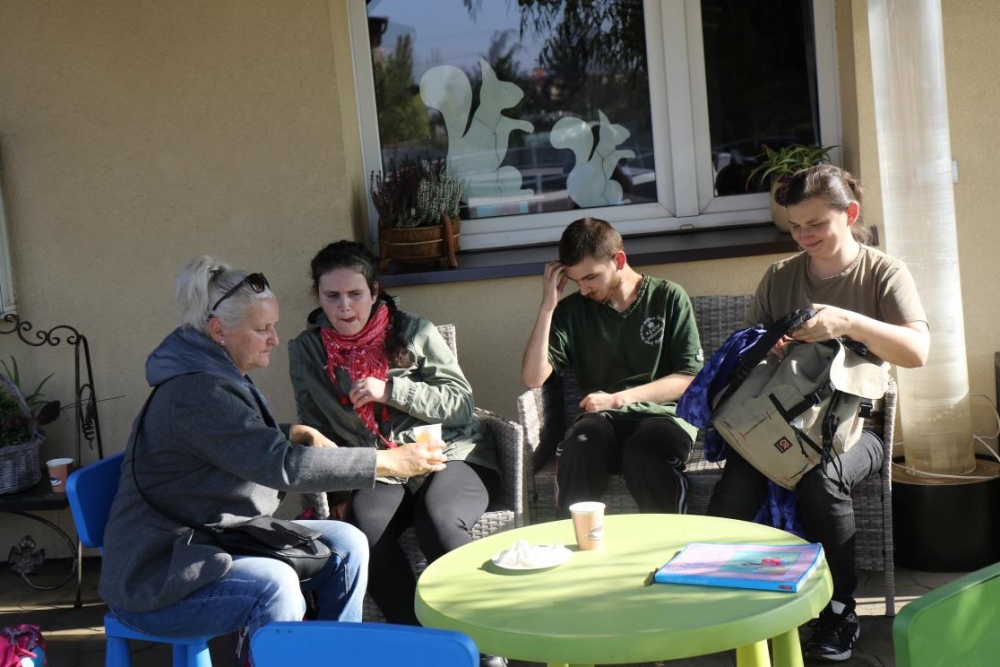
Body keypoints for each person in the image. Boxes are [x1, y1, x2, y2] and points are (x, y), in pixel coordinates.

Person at [99, 256, 447, 661]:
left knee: (347, 542)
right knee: (275, 582)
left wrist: (291, 432)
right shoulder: (197, 391)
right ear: (219, 331)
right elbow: (284, 466)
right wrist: (387, 462)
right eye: (262, 328)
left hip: (210, 539)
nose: (274, 339)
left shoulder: (212, 373)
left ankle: (333, 656)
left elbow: (230, 441)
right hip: (159, 575)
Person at [706, 165, 929, 661]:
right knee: (737, 487)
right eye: (795, 226)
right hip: (777, 423)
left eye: (816, 224)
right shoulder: (781, 276)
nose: (804, 236)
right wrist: (767, 346)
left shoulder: (883, 272)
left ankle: (840, 610)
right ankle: (718, 599)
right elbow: (744, 348)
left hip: (858, 428)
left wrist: (847, 321)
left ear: (849, 214)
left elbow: (917, 351)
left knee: (821, 479)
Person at [287, 241, 502, 629]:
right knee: (364, 534)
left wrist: (391, 390)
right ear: (318, 296)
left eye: (355, 294)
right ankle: (420, 642)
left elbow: (461, 404)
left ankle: (485, 637)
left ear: (374, 292)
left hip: (448, 452)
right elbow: (317, 426)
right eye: (332, 296)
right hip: (382, 468)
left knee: (438, 518)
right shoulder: (307, 351)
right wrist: (338, 492)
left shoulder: (412, 331)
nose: (344, 307)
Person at [520, 217, 703, 515]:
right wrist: (548, 306)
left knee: (643, 454)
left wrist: (619, 399)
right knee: (579, 446)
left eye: (591, 277)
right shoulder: (572, 311)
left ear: (619, 260)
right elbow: (532, 377)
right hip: (600, 422)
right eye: (576, 281)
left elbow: (688, 380)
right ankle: (574, 539)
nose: (583, 289)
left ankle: (670, 540)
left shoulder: (668, 297)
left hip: (663, 417)